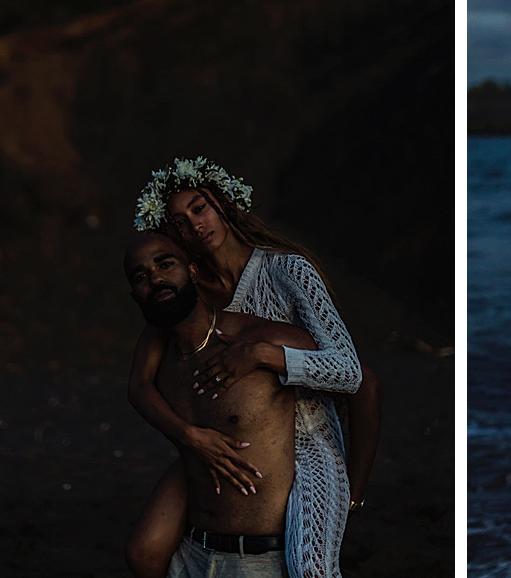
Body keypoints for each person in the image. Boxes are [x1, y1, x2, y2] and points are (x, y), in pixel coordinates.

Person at [124, 157, 380, 578]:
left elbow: (352, 373)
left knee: (310, 570)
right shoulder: (188, 292)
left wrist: (261, 354)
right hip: (226, 433)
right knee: (143, 551)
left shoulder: (287, 270)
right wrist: (190, 436)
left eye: (199, 207)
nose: (194, 225)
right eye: (179, 221)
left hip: (307, 442)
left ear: (223, 204)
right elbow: (140, 381)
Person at [124, 231, 316, 577]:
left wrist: (353, 493)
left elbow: (359, 379)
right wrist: (191, 437)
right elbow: (136, 388)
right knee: (140, 553)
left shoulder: (258, 340)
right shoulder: (158, 352)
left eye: (165, 264)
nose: (155, 278)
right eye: (141, 277)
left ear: (193, 271)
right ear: (134, 294)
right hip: (193, 554)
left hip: (261, 559)